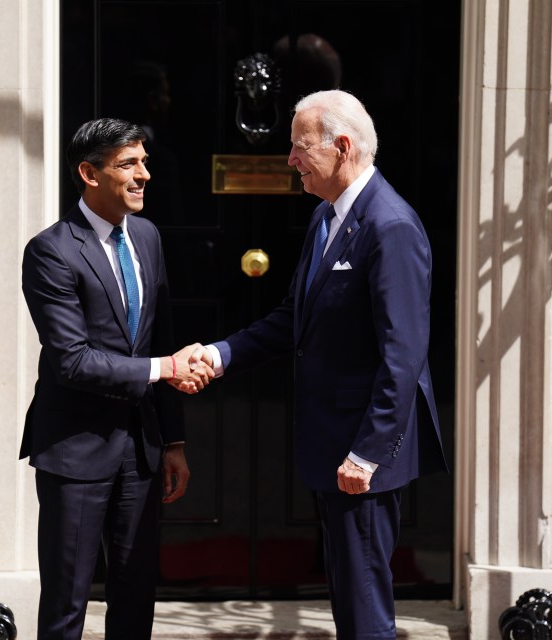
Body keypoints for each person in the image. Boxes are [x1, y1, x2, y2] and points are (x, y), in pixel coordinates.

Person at [188, 90, 448, 639]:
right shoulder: (325, 219)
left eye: (299, 147)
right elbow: (293, 320)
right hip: (331, 445)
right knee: (346, 598)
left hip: (361, 457)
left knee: (365, 605)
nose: (289, 160)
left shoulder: (391, 226)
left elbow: (403, 357)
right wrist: (219, 354)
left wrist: (368, 454)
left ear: (343, 147)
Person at [20, 118, 212, 640]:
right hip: (75, 450)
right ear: (89, 173)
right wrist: (166, 369)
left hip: (142, 451)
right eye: (129, 164)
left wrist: (173, 439)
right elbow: (72, 360)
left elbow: (159, 337)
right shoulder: (51, 251)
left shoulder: (147, 237)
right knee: (67, 601)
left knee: (135, 598)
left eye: (144, 162)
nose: (144, 174)